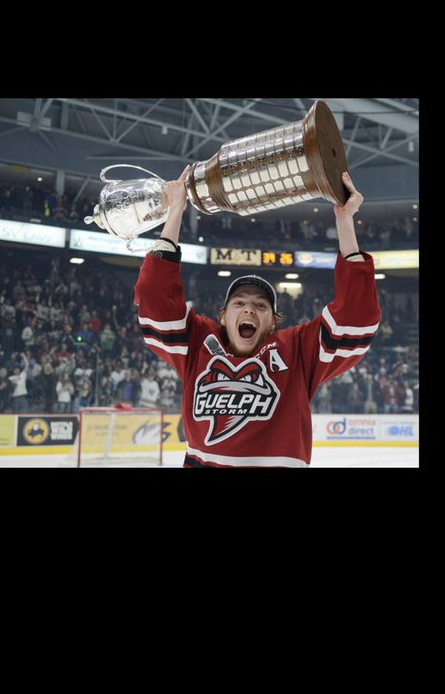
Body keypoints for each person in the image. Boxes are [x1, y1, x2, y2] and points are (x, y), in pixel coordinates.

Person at [133, 167, 381, 469]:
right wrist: (176, 210)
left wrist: (344, 219)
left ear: (274, 322)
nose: (249, 309)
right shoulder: (199, 344)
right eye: (239, 303)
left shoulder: (296, 351)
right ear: (223, 316)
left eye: (260, 306)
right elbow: (154, 298)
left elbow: (356, 318)